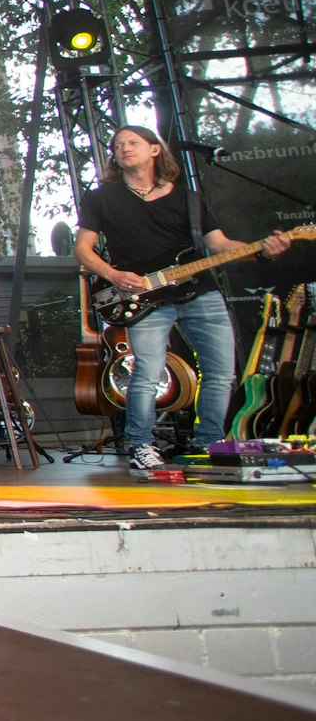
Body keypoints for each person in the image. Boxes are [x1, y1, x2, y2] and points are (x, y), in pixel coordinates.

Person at [73, 125, 290, 472]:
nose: (124, 148)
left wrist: (262, 252)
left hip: (199, 292)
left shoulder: (188, 199)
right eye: (118, 145)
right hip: (142, 295)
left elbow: (219, 246)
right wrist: (114, 275)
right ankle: (141, 445)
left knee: (220, 373)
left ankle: (208, 444)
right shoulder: (102, 198)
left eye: (133, 142)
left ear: (155, 149)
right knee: (147, 371)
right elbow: (82, 249)